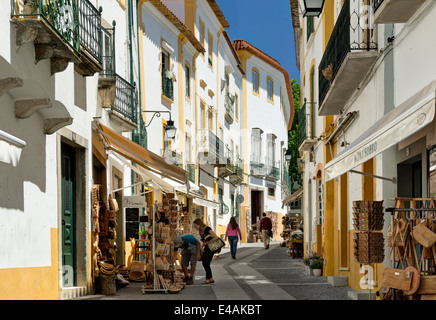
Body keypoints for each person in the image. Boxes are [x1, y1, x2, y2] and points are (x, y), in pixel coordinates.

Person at [193, 218, 218, 285]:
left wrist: (207, 243)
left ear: (199, 224)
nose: (195, 228)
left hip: (211, 248)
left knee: (206, 263)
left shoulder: (207, 229)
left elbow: (215, 237)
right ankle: (210, 278)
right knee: (205, 263)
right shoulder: (201, 231)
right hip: (206, 248)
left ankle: (208, 279)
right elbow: (203, 240)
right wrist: (203, 246)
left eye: (195, 226)